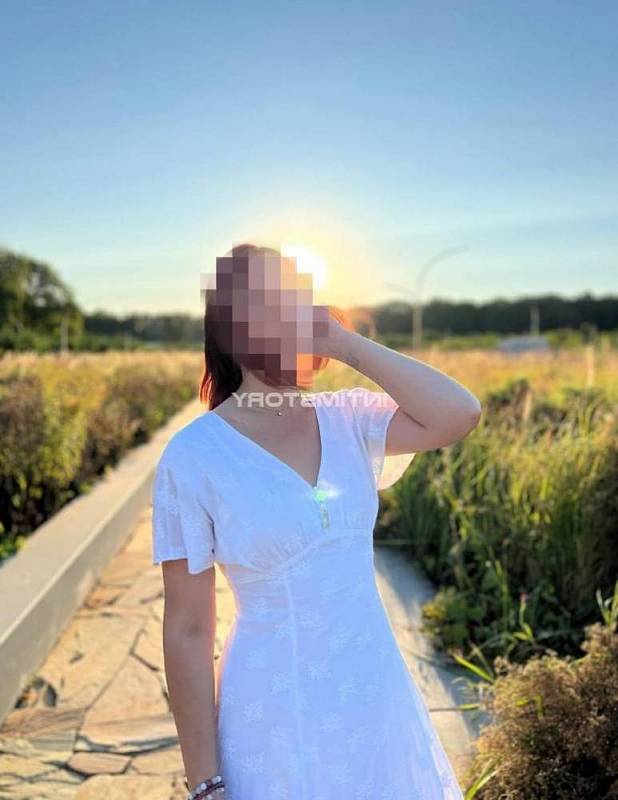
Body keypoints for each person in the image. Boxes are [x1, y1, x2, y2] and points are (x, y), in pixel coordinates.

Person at [151, 242, 481, 800]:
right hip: (274, 722)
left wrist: (343, 342)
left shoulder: (348, 418)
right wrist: (205, 781)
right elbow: (187, 630)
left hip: (376, 703)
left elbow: (459, 413)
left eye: (291, 298)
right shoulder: (194, 456)